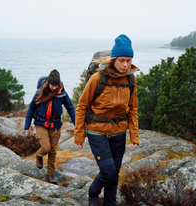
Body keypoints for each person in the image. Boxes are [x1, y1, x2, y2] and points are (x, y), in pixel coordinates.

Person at [74, 34, 140, 206]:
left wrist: (134, 135)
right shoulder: (98, 78)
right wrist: (79, 134)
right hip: (96, 130)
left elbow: (133, 108)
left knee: (115, 173)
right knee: (108, 171)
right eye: (121, 60)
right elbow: (81, 106)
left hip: (119, 131)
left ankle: (110, 203)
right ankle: (93, 192)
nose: (125, 65)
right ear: (114, 59)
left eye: (128, 60)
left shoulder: (131, 79)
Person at [25, 69, 75, 184]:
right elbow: (31, 107)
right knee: (46, 148)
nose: (54, 87)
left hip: (56, 124)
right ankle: (39, 155)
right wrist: (27, 124)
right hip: (41, 123)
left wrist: (76, 124)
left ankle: (50, 174)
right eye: (52, 85)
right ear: (48, 83)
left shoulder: (62, 93)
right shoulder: (40, 91)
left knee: (52, 151)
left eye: (56, 85)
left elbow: (70, 108)